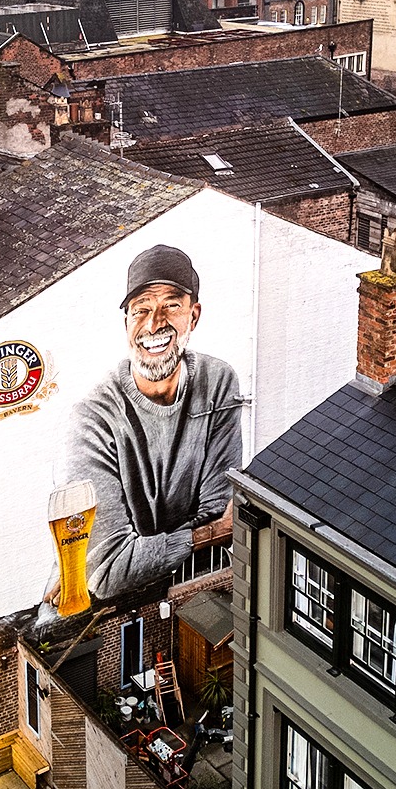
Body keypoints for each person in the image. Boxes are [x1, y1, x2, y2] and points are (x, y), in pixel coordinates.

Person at [51, 244, 243, 606]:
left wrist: (149, 547)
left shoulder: (218, 382)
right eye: (141, 309)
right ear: (126, 322)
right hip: (110, 609)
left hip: (192, 593)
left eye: (171, 305)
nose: (155, 323)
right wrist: (213, 533)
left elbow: (218, 506)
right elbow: (108, 572)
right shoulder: (92, 417)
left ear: (194, 315)